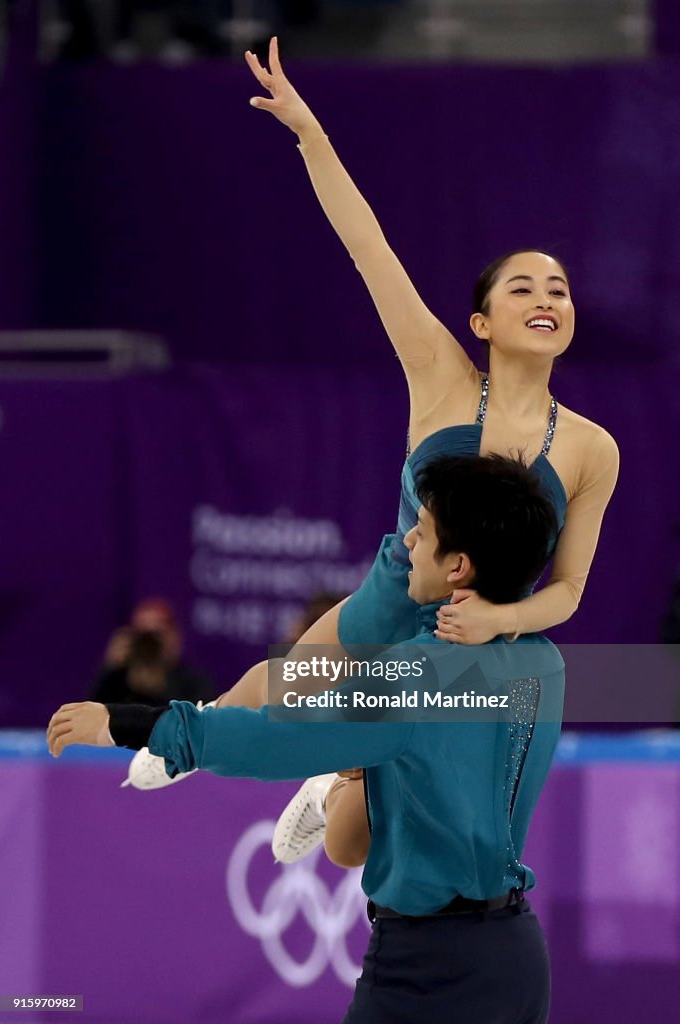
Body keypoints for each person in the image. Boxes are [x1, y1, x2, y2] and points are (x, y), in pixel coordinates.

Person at [123, 38, 619, 863]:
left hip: (472, 652)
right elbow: (369, 248)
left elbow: (567, 591)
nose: (546, 298)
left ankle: (335, 781)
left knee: (352, 849)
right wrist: (311, 135)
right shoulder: (442, 379)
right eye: (522, 288)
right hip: (387, 608)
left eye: (559, 288)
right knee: (270, 699)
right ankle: (236, 746)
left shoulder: (593, 450)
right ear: (482, 323)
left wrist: (501, 616)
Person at [48, 452, 565, 1024]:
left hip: (429, 966)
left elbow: (274, 739)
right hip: (517, 959)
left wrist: (132, 725)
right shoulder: (543, 666)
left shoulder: (417, 678)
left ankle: (334, 787)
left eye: (425, 532)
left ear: (458, 566)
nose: (409, 541)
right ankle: (338, 787)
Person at [90, 598, 217, 706]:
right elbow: (90, 718)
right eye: (142, 636)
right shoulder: (117, 680)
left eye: (155, 635)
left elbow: (195, 723)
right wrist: (110, 667)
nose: (148, 644)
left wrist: (161, 684)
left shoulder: (193, 683)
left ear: (174, 636)